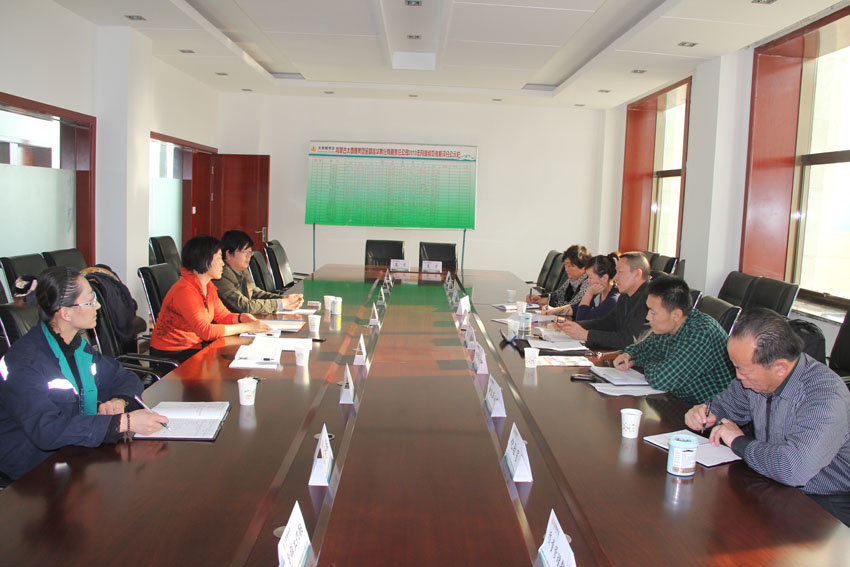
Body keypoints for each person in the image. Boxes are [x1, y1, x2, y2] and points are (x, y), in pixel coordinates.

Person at [684, 308, 850, 526]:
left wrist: (738, 441)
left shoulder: (824, 395)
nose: (738, 377)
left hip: (825, 503)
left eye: (743, 371)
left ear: (780, 367)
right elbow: (725, 405)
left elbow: (792, 469)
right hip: (773, 482)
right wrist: (705, 412)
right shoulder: (756, 378)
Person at [0, 267, 168, 482]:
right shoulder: (24, 361)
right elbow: (46, 431)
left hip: (72, 449)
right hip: (32, 467)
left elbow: (124, 377)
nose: (98, 306)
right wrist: (123, 423)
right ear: (66, 312)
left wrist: (119, 400)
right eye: (90, 301)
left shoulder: (77, 347)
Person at [613, 275, 734, 403]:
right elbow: (643, 349)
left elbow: (661, 379)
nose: (648, 317)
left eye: (653, 312)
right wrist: (629, 355)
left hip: (707, 409)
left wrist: (650, 361)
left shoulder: (701, 333)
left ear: (676, 315)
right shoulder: (669, 325)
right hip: (677, 400)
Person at [150, 235, 271, 363]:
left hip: (194, 349)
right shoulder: (185, 290)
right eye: (218, 258)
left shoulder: (208, 286)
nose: (222, 263)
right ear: (204, 259)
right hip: (172, 356)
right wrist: (247, 327)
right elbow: (206, 332)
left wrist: (242, 318)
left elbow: (223, 316)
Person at [554, 251, 651, 350]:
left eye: (620, 272)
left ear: (637, 274)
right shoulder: (625, 296)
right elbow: (607, 323)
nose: (615, 278)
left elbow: (630, 340)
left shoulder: (650, 301)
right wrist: (573, 325)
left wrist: (586, 334)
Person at [214, 230, 303, 314]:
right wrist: (281, 303)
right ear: (229, 254)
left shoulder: (243, 269)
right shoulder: (221, 275)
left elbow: (255, 293)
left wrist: (285, 299)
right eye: (245, 252)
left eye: (250, 252)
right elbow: (244, 306)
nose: (249, 256)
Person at [530, 245, 591, 314]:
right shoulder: (573, 279)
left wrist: (549, 302)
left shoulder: (588, 283)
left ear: (583, 267)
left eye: (570, 266)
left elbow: (572, 307)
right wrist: (540, 297)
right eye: (565, 265)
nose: (566, 269)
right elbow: (558, 294)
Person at [572, 253, 619, 322]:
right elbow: (576, 308)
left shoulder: (612, 301)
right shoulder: (599, 292)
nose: (588, 281)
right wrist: (556, 310)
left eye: (590, 277)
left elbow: (581, 321)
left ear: (604, 278)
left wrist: (589, 293)